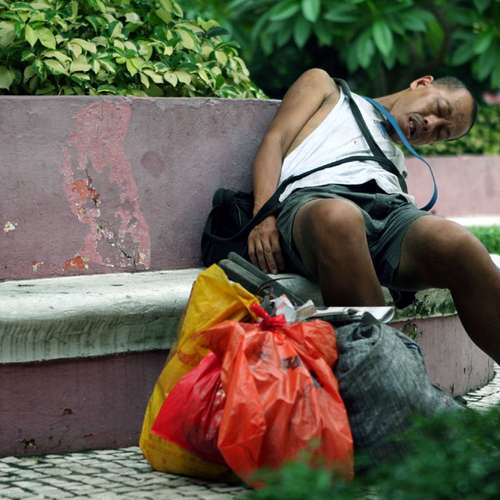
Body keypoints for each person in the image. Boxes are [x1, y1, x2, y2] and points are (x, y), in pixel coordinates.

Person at [247, 69, 500, 364]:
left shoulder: (395, 160)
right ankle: (387, 373)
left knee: (457, 242)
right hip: (315, 202)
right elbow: (275, 140)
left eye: (441, 133)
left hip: (390, 211)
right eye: (439, 109)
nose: (431, 124)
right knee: (340, 218)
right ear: (421, 83)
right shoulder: (328, 90)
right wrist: (263, 215)